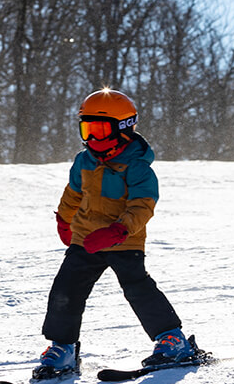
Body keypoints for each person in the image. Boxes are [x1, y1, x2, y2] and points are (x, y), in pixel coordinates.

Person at [34, 89, 200, 379]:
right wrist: (64, 219)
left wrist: (119, 229)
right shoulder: (83, 161)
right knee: (66, 289)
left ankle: (173, 341)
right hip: (86, 237)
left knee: (138, 288)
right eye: (88, 130)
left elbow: (143, 205)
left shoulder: (137, 167)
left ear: (124, 128)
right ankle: (63, 348)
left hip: (124, 239)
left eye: (101, 130)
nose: (93, 139)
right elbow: (73, 194)